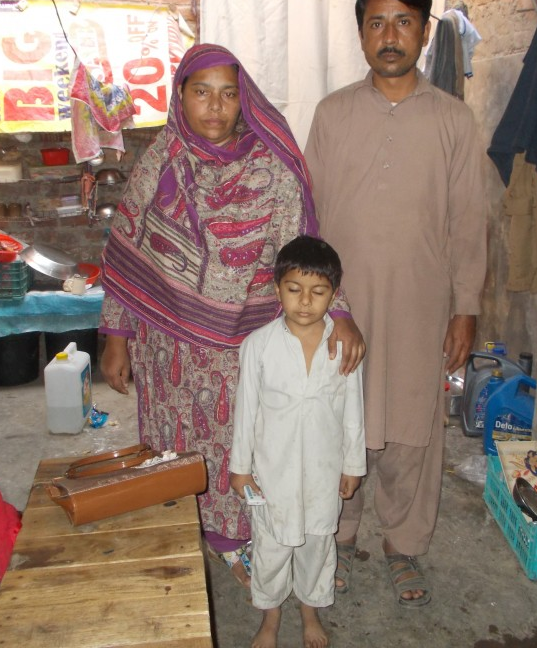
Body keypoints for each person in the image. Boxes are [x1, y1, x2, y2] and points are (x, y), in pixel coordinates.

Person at [99, 44, 366, 589]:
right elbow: (126, 250)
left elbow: (301, 249)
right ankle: (186, 529)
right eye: (201, 92)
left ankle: (249, 540)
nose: (215, 107)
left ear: (244, 100)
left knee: (243, 444)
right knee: (176, 444)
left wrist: (338, 312)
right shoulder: (161, 161)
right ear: (181, 97)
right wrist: (116, 336)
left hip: (245, 344)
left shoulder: (271, 168)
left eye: (227, 93)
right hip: (166, 341)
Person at [304, 0, 487, 608]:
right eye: (377, 23)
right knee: (339, 422)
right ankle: (340, 535)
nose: (390, 36)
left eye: (404, 22)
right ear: (360, 34)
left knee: (412, 426)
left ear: (423, 32)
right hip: (341, 309)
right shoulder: (331, 115)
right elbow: (309, 217)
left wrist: (465, 309)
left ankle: (404, 544)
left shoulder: (454, 121)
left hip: (420, 303)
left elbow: (468, 222)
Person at [230, 236, 366, 648]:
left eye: (318, 292)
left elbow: (353, 410)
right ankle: (270, 620)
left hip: (324, 471)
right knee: (270, 549)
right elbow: (246, 409)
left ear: (334, 295)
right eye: (294, 290)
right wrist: (239, 469)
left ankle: (310, 612)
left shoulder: (344, 347)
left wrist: (353, 466)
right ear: (277, 290)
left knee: (316, 545)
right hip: (271, 474)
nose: (305, 301)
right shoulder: (258, 346)